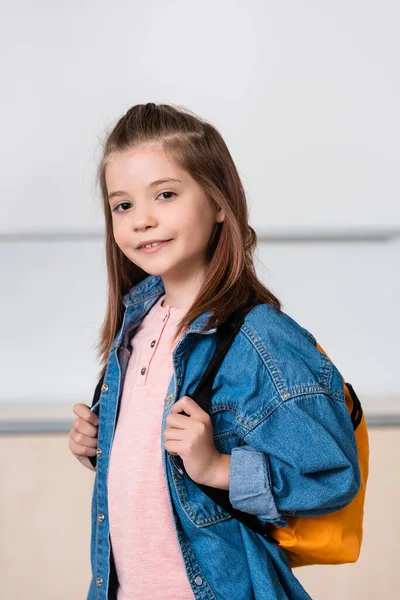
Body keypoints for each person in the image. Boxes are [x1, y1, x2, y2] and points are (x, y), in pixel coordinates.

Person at [68, 103, 360, 600]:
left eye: (165, 194)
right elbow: (159, 471)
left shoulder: (261, 338)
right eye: (123, 205)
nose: (142, 220)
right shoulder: (138, 322)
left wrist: (218, 468)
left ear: (218, 202)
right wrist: (100, 443)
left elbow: (331, 474)